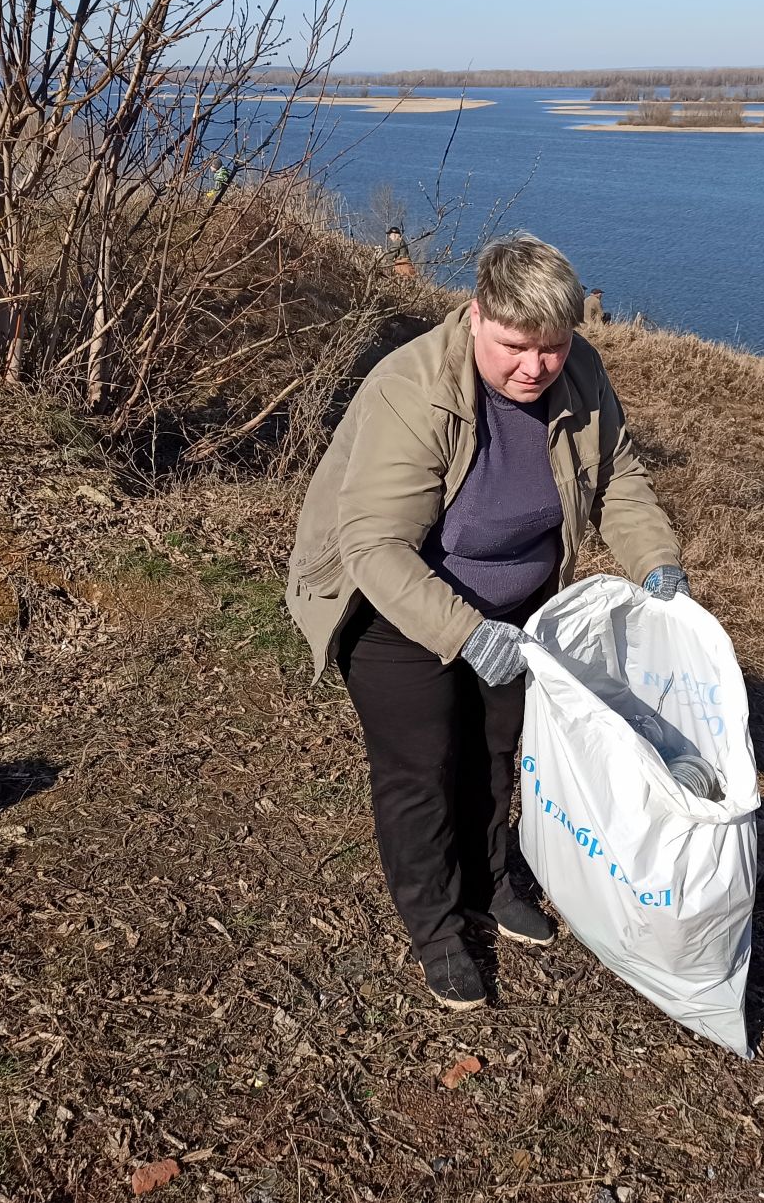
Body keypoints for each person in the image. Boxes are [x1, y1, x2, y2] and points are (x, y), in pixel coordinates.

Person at [285, 234, 689, 1009]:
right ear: (476, 317)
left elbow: (618, 478)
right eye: (514, 347)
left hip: (518, 604)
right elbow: (375, 545)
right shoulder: (413, 389)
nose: (534, 368)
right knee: (424, 768)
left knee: (506, 752)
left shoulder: (581, 374)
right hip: (396, 608)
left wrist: (655, 562)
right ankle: (436, 928)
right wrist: (467, 636)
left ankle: (495, 882)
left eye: (552, 347)